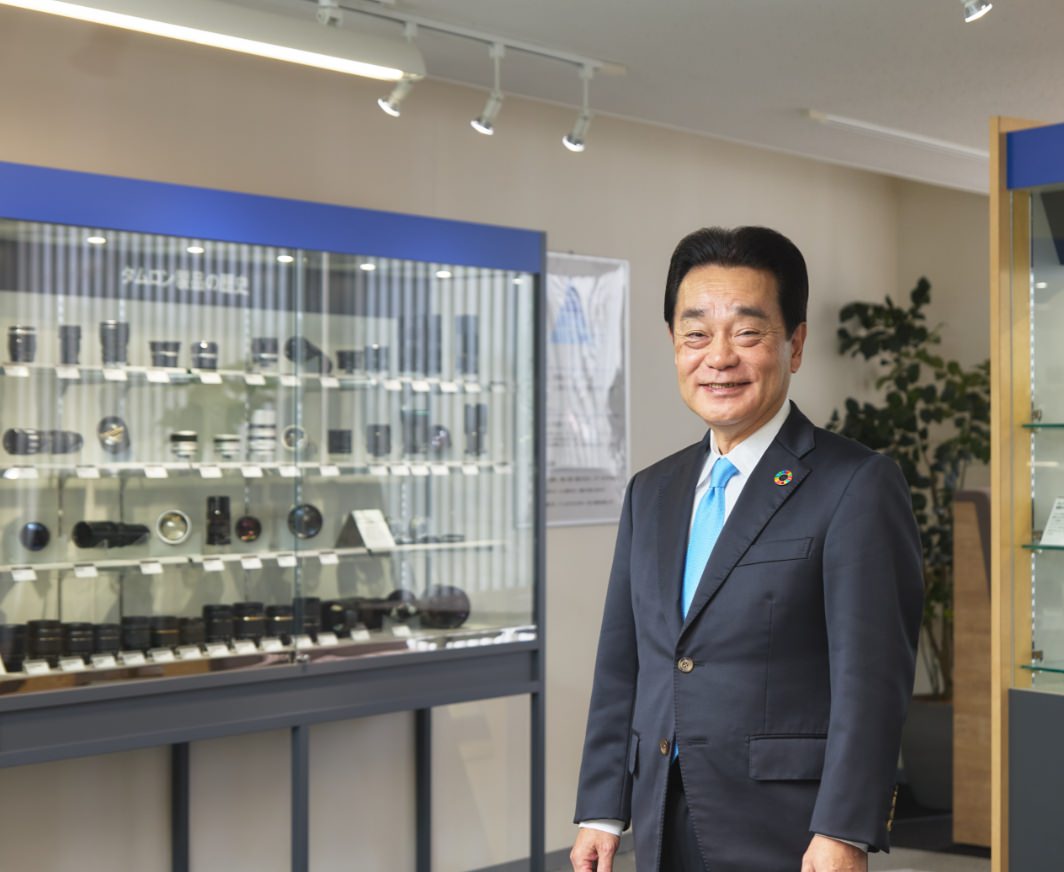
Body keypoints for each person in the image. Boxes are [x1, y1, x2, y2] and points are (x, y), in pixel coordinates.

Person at [570, 226, 923, 872]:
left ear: (795, 344)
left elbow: (871, 681)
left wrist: (844, 829)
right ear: (674, 345)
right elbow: (625, 663)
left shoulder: (855, 484)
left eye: (748, 332)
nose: (719, 357)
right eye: (696, 334)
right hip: (661, 811)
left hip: (787, 827)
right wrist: (602, 807)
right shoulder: (652, 490)